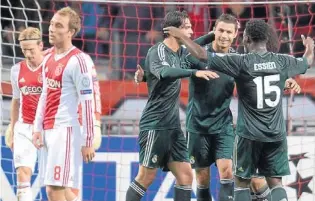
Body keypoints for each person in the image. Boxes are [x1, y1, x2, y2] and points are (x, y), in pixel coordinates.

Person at [163, 19, 314, 201]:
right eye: (221, 31)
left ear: (243, 37)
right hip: (269, 134)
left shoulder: (239, 61)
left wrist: (180, 36)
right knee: (274, 183)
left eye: (229, 32)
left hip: (244, 133)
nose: (225, 36)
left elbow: (202, 55)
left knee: (239, 181)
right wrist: (309, 49)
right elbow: (306, 62)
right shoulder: (282, 61)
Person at [125, 10, 220, 201]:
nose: (192, 31)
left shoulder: (179, 52)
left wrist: (215, 32)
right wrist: (194, 73)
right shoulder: (157, 50)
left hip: (174, 127)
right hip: (155, 125)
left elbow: (198, 44)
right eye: (187, 27)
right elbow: (165, 72)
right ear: (173, 31)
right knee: (146, 177)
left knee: (186, 176)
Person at [32, 7, 95, 201]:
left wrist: (88, 140)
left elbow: (87, 102)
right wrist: (37, 128)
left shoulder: (79, 61)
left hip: (65, 131)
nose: (51, 28)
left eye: (58, 25)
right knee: (63, 192)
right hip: (48, 130)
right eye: (51, 23)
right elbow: (44, 94)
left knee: (54, 190)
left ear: (70, 32)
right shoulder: (48, 57)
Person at [6, 27, 44, 201]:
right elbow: (16, 100)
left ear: (41, 45)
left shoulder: (51, 68)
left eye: (31, 50)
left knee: (58, 187)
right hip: (24, 127)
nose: (28, 54)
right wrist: (12, 128)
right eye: (24, 50)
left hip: (49, 128)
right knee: (23, 175)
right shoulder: (16, 70)